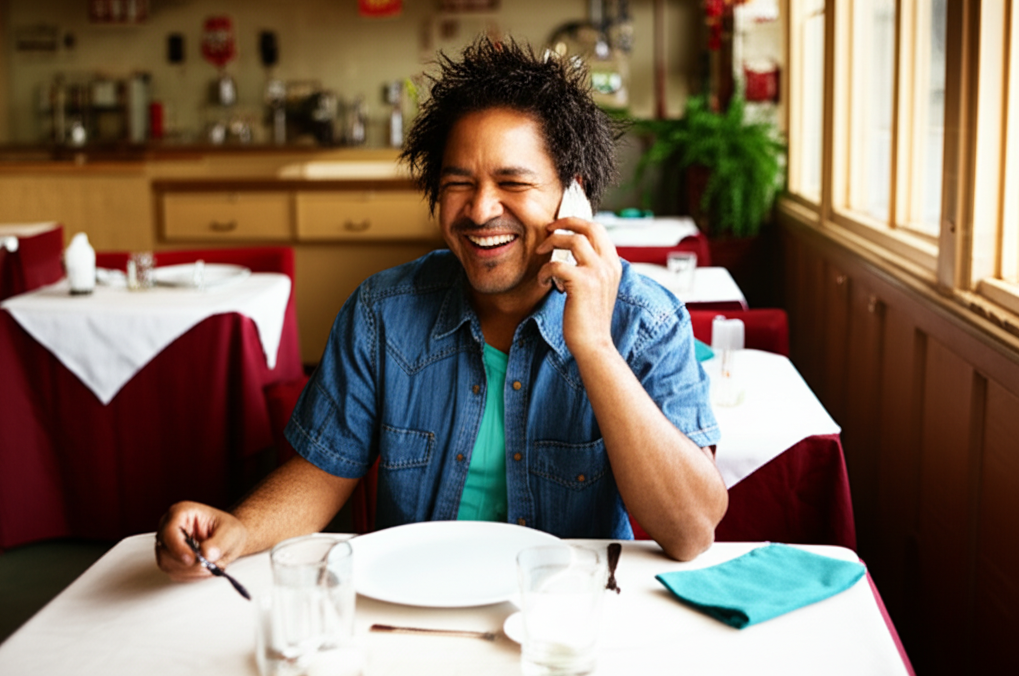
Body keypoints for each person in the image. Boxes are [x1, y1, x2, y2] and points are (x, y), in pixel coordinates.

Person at [156, 37, 727, 580]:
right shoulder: (383, 311)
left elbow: (690, 531)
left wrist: (596, 347)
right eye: (459, 183)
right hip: (411, 603)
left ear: (572, 195)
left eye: (512, 181)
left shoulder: (645, 320)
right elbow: (321, 473)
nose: (480, 210)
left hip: (563, 613)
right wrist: (239, 528)